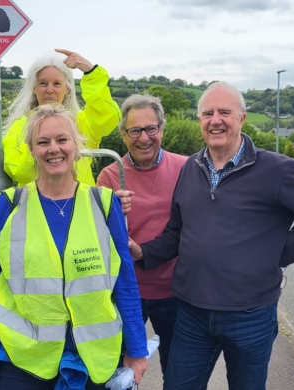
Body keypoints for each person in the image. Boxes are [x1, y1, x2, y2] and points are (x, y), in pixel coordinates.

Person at [128, 82, 294, 390]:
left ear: (242, 118)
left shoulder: (276, 170)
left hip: (249, 315)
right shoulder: (190, 169)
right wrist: (141, 252)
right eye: (207, 113)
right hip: (192, 313)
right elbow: (178, 233)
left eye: (224, 112)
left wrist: (279, 252)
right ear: (200, 121)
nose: (215, 120)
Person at [0, 104, 148, 390]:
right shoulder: (9, 204)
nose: (53, 149)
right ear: (31, 150)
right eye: (43, 142)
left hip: (93, 359)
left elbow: (125, 283)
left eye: (62, 139)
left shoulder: (104, 203)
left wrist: (136, 350)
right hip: (24, 360)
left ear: (76, 146)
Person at [96, 94, 187, 376]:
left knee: (179, 373)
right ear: (123, 135)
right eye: (134, 130)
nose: (144, 138)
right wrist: (109, 209)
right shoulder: (110, 177)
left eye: (151, 129)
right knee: (120, 372)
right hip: (126, 292)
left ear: (161, 129)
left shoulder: (186, 168)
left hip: (177, 290)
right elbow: (100, 237)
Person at [2, 48, 121, 187]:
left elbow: (108, 115)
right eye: (43, 83)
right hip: (35, 206)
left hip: (83, 205)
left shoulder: (81, 123)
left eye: (57, 83)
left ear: (68, 89)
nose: (50, 89)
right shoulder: (18, 127)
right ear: (34, 88)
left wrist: (91, 72)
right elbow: (19, 172)